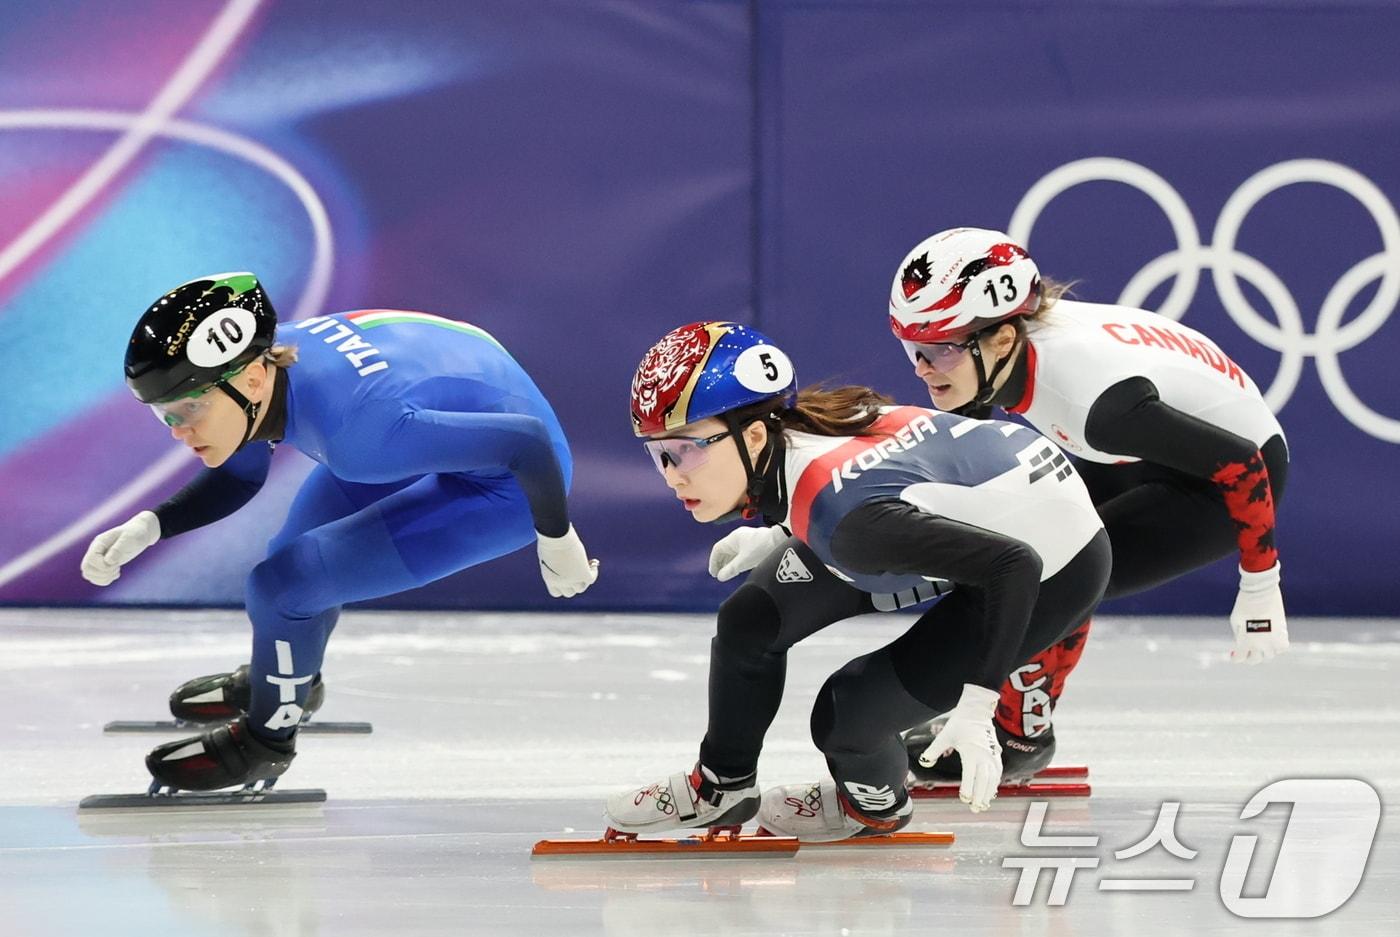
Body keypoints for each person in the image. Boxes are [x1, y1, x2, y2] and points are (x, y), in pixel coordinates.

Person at [80, 273, 598, 791]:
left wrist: (556, 536)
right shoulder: (258, 373)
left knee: (285, 587)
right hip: (438, 396)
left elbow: (528, 443)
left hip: (511, 482)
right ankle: (290, 682)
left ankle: (266, 743)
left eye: (189, 407)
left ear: (254, 380)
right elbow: (241, 475)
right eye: (162, 414)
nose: (177, 430)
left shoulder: (358, 434)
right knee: (288, 557)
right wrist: (153, 525)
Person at [605, 321, 1110, 842]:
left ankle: (875, 808)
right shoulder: (798, 430)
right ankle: (722, 786)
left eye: (685, 451)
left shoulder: (848, 522)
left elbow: (1014, 566)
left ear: (755, 435)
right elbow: (893, 481)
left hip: (1054, 566)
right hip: (966, 520)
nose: (671, 475)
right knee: (750, 619)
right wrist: (782, 531)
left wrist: (979, 704)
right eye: (656, 454)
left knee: (847, 715)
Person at [880, 227, 1288, 781]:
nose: (922, 370)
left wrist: (1260, 584)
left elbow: (1243, 464)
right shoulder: (1011, 354)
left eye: (939, 350)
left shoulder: (1089, 400)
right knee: (1026, 543)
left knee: (1059, 571)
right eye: (912, 349)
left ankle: (1020, 736)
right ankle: (1013, 718)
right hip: (1146, 437)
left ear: (1002, 338)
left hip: (1225, 481)